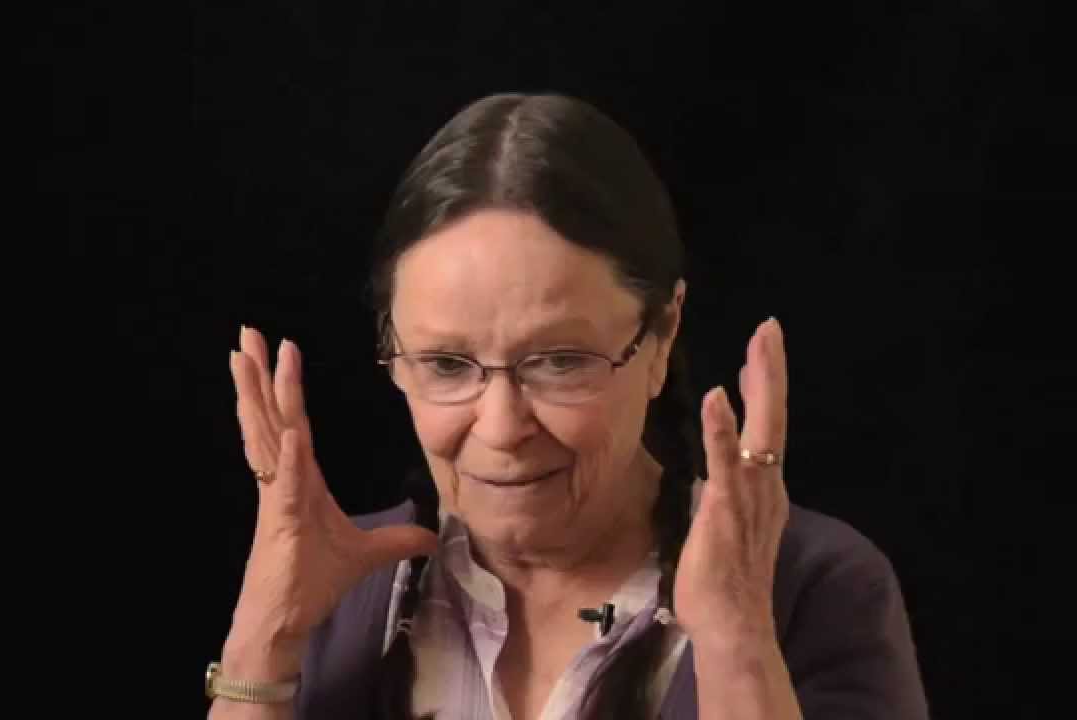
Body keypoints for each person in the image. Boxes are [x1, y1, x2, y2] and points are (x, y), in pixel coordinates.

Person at [210, 93, 928, 719]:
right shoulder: (330, 593)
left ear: (662, 334)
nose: (502, 429)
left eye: (560, 361)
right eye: (447, 365)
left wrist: (736, 645)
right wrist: (262, 644)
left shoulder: (815, 585)